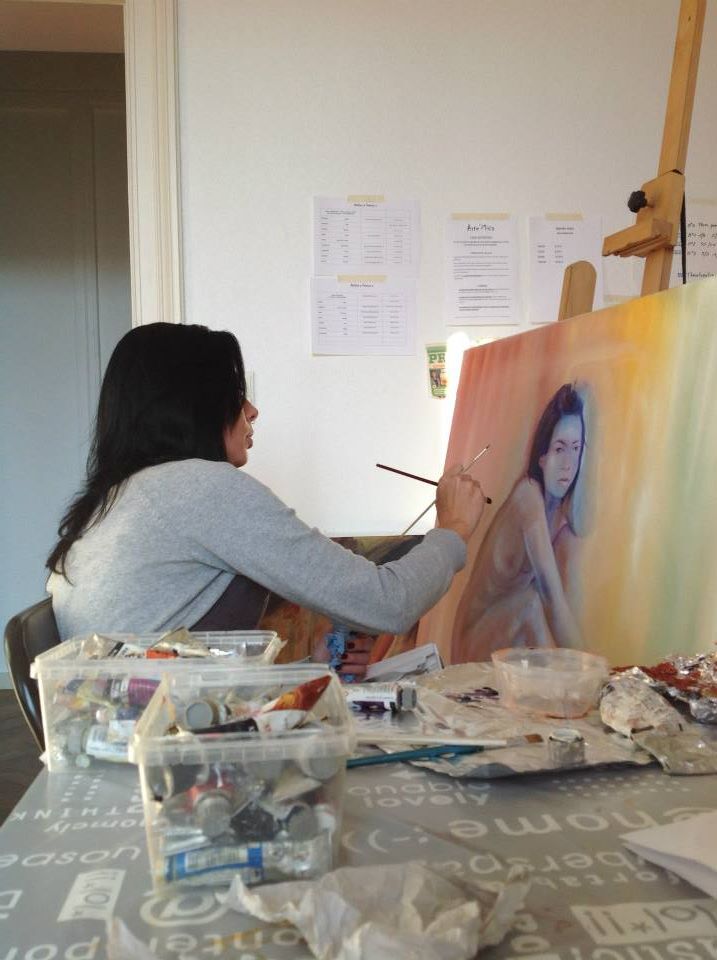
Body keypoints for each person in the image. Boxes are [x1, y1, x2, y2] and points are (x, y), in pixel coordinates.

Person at [47, 323, 486, 676]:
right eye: (234, 394)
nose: (251, 410)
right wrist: (454, 528)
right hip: (157, 746)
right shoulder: (198, 488)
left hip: (129, 734)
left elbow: (193, 680)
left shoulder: (120, 497)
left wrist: (311, 668)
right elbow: (388, 603)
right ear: (192, 405)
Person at [450, 383, 590, 664]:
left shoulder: (559, 513)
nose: (568, 463)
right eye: (560, 448)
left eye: (575, 449)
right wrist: (591, 670)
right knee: (531, 602)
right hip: (473, 642)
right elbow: (551, 597)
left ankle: (561, 682)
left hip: (507, 637)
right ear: (542, 457)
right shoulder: (528, 496)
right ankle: (563, 684)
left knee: (534, 600)